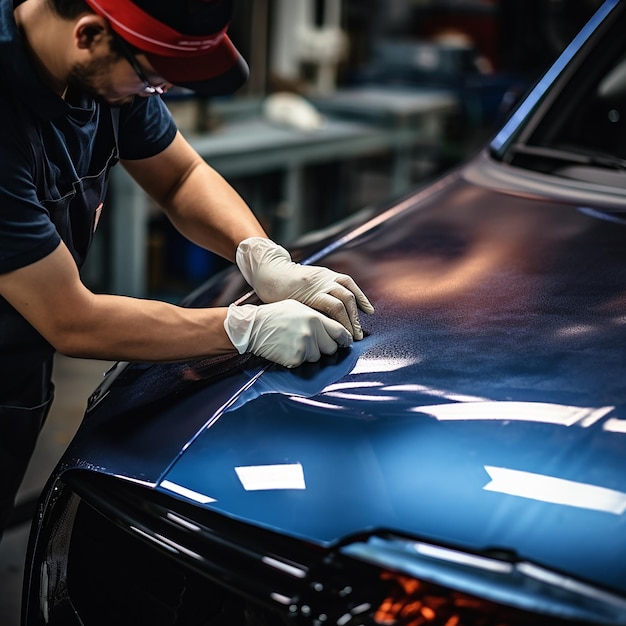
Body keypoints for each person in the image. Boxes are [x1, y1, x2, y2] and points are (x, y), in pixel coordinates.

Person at [0, 0, 374, 540]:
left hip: (17, 373)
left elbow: (179, 177)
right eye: (152, 79)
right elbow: (71, 320)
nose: (161, 93)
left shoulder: (97, 65)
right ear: (88, 35)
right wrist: (243, 329)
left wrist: (260, 254)